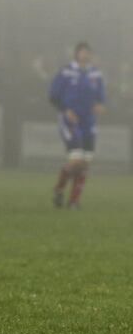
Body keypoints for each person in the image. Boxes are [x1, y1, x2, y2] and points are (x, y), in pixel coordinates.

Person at [49, 42, 105, 209]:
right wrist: (65, 110)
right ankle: (59, 189)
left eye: (87, 52)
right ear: (76, 54)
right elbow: (53, 95)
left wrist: (100, 105)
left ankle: (74, 201)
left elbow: (101, 97)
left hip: (89, 122)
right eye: (82, 52)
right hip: (70, 120)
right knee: (76, 160)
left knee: (85, 163)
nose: (85, 55)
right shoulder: (65, 72)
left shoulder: (95, 74)